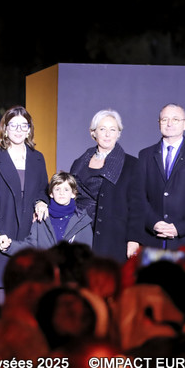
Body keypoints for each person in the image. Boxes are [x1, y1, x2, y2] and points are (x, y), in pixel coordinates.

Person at [138, 103, 185, 254]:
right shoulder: (145, 155)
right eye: (164, 119)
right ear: (159, 123)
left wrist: (179, 228)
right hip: (153, 239)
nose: (169, 123)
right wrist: (154, 223)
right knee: (151, 278)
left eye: (175, 119)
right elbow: (138, 196)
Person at [69, 109, 143, 263]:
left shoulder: (132, 165)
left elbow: (138, 207)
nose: (108, 134)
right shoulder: (78, 163)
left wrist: (134, 239)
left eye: (112, 130)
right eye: (102, 129)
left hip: (114, 237)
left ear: (118, 133)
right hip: (80, 234)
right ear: (93, 133)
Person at [0, 106, 49, 291]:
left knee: (27, 290)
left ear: (29, 129)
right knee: (2, 292)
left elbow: (42, 189)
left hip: (29, 232)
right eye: (13, 125)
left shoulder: (38, 158)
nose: (18, 130)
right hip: (2, 229)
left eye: (24, 126)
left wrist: (41, 202)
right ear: (5, 128)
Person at [2, 172, 93, 255]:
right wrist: (10, 246)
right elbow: (31, 246)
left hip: (70, 272)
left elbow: (86, 255)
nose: (61, 193)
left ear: (73, 194)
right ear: (51, 193)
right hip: (46, 270)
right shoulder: (42, 218)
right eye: (57, 189)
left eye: (66, 189)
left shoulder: (82, 221)